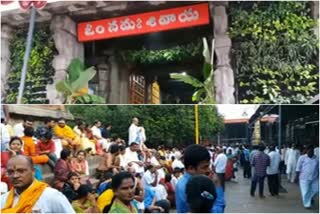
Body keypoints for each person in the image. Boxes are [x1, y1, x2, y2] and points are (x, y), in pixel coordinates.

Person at [1, 155, 75, 213]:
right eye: (10, 172)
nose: (15, 176)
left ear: (33, 171)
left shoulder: (52, 196)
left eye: (21, 171)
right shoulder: (3, 199)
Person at [175, 144, 225, 213]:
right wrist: (217, 186)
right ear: (191, 168)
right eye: (205, 167)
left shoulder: (182, 182)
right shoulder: (195, 187)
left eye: (208, 166)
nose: (209, 170)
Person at [295, 145, 319, 209]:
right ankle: (307, 205)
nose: (311, 152)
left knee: (317, 190)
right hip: (304, 179)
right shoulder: (302, 158)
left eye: (312, 151)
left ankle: (310, 197)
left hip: (314, 178)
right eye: (309, 151)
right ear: (306, 151)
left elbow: (318, 168)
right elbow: (298, 168)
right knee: (305, 192)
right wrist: (296, 177)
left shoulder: (317, 158)